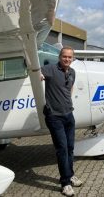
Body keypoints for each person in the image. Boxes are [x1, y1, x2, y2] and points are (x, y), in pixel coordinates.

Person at [40, 46, 83, 196]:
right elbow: (35, 73)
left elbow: (69, 89)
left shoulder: (72, 72)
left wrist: (67, 102)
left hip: (68, 115)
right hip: (54, 117)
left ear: (73, 58)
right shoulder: (50, 69)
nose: (67, 59)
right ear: (60, 57)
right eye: (64, 56)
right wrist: (37, 76)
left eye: (70, 57)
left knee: (70, 148)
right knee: (62, 149)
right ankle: (65, 183)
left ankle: (70, 175)